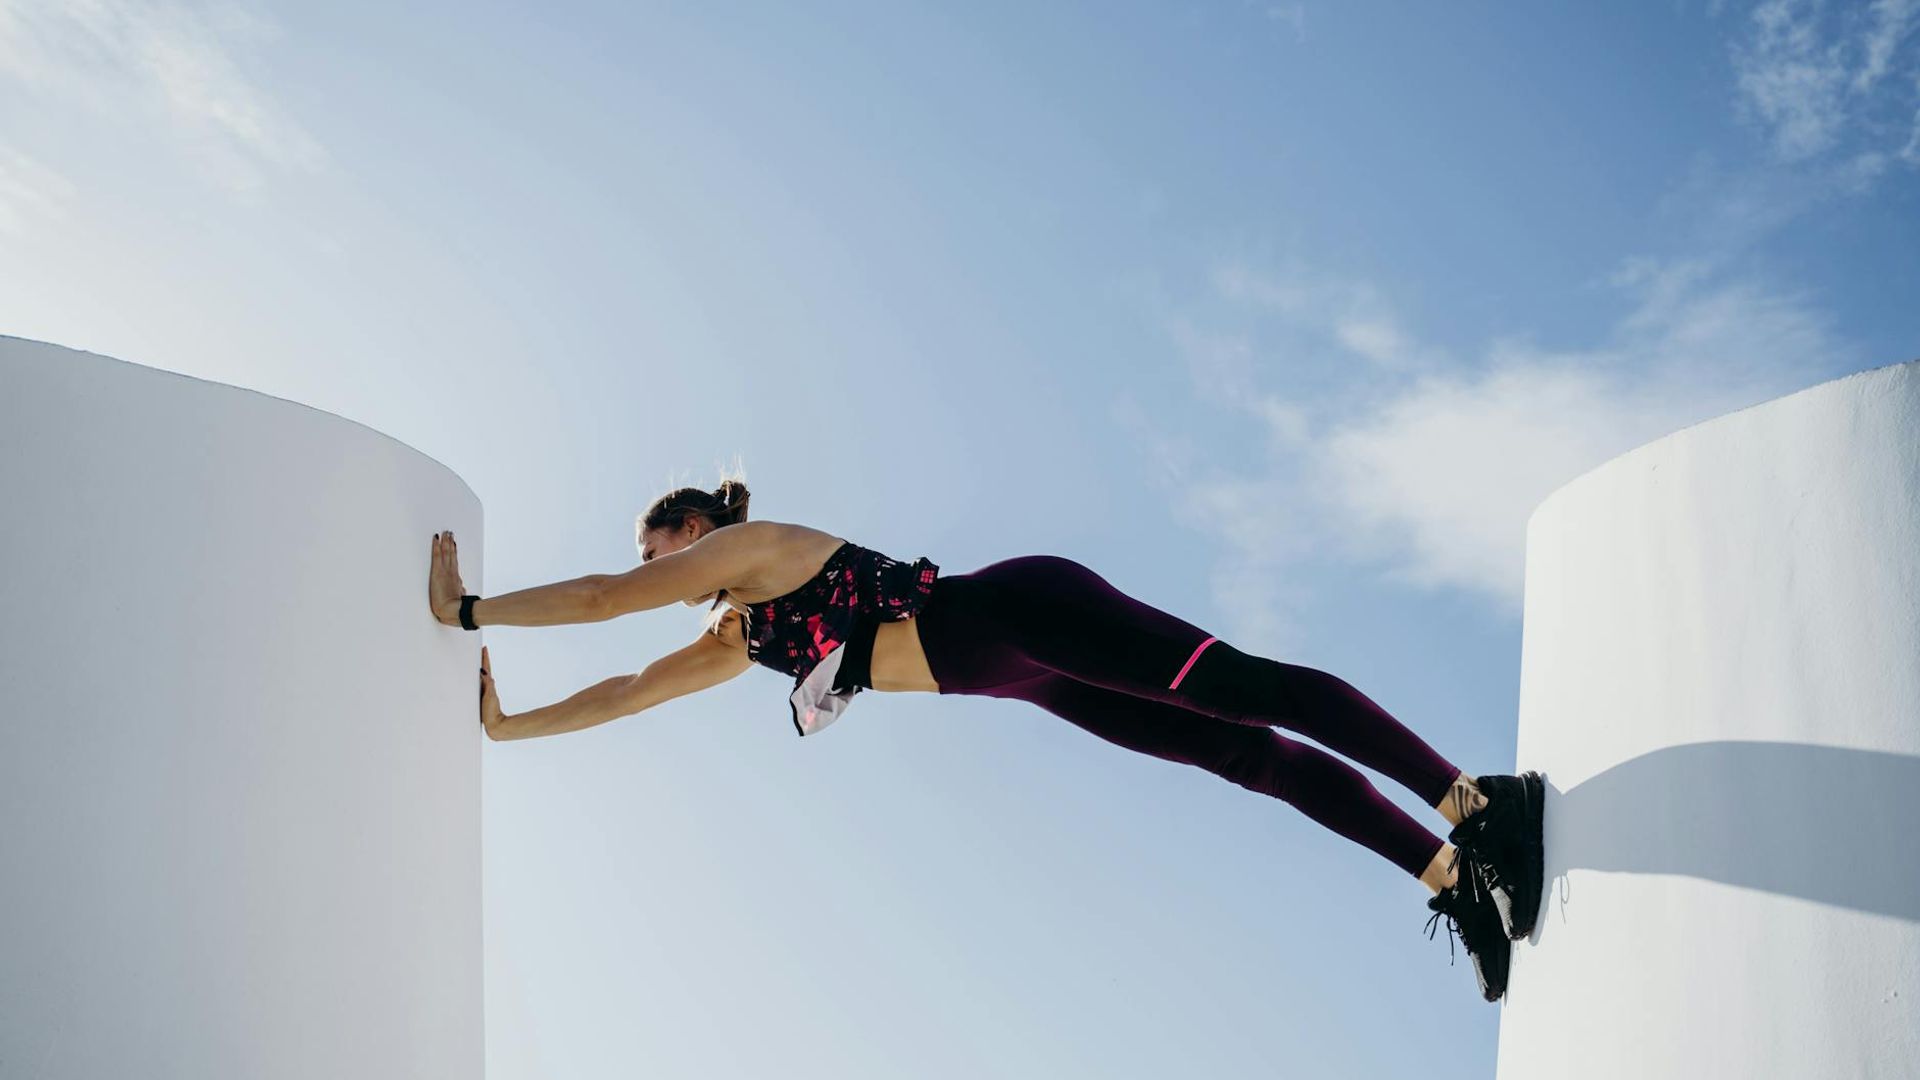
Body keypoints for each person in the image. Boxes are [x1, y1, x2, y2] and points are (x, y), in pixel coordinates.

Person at [427, 478, 1545, 1002]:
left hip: (1019, 616)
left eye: (655, 541)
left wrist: (473, 611)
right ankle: (1450, 875)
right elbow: (624, 688)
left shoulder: (762, 549)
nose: (649, 560)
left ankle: (1474, 802)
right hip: (1023, 683)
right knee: (1242, 759)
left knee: (1241, 695)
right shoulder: (738, 639)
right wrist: (511, 723)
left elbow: (603, 602)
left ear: (698, 530)